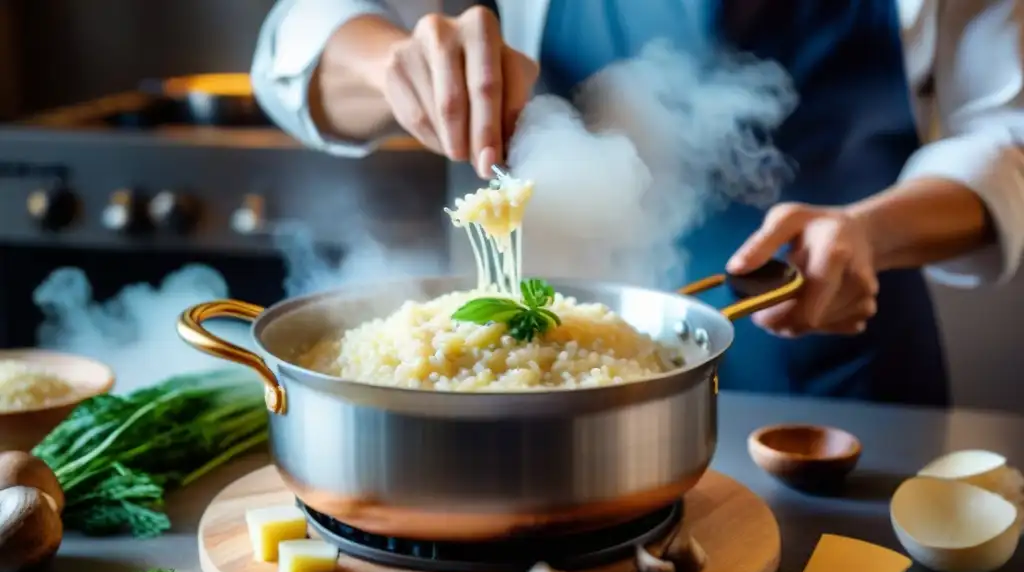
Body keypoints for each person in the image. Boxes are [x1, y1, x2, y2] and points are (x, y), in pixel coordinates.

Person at [250, 0, 1024, 407]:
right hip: (557, 384)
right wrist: (394, 65)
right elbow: (301, 39)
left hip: (840, 387)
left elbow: (1007, 140)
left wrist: (870, 232)